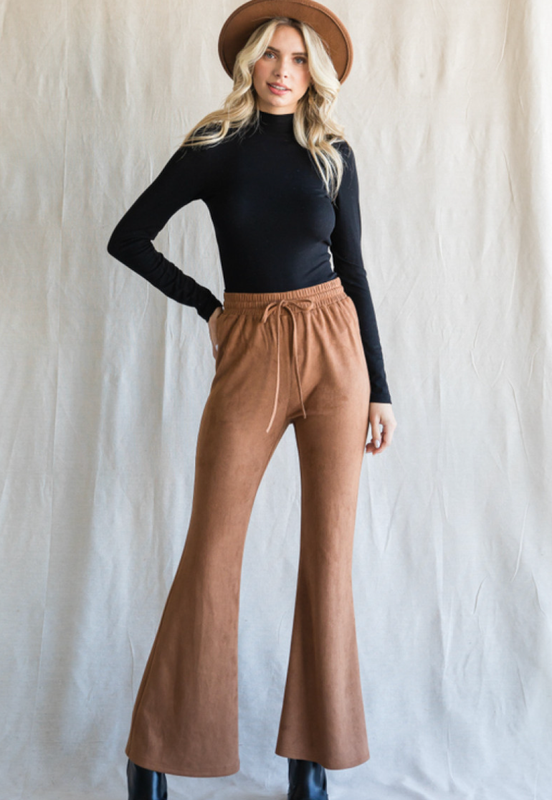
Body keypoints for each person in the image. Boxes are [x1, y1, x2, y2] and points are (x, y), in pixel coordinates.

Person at [107, 1, 397, 798]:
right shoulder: (215, 145)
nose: (282, 70)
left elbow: (355, 270)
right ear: (249, 63)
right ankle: (153, 754)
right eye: (271, 54)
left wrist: (381, 387)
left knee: (329, 556)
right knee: (213, 546)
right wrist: (208, 306)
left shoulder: (332, 153)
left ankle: (312, 763)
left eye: (298, 59)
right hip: (252, 345)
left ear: (314, 73)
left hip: (336, 349)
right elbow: (128, 237)